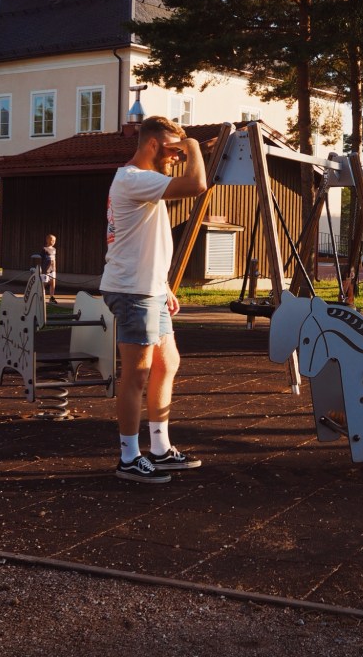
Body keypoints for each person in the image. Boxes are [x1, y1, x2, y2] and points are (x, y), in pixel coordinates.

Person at [100, 116, 208, 484]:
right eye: (172, 151)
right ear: (152, 146)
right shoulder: (134, 178)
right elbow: (197, 184)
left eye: (180, 153)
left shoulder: (143, 181)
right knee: (137, 374)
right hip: (133, 291)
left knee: (167, 362)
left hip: (149, 289)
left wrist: (164, 286)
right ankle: (129, 457)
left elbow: (143, 242)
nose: (177, 158)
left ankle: (160, 449)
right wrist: (193, 145)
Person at [40, 234, 58, 304]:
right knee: (44, 284)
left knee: (53, 283)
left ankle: (52, 297)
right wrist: (41, 269)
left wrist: (55, 268)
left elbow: (54, 259)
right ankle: (42, 297)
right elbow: (41, 259)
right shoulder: (44, 249)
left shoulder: (54, 249)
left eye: (54, 241)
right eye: (52, 240)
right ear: (47, 240)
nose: (53, 242)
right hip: (45, 269)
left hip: (52, 269)